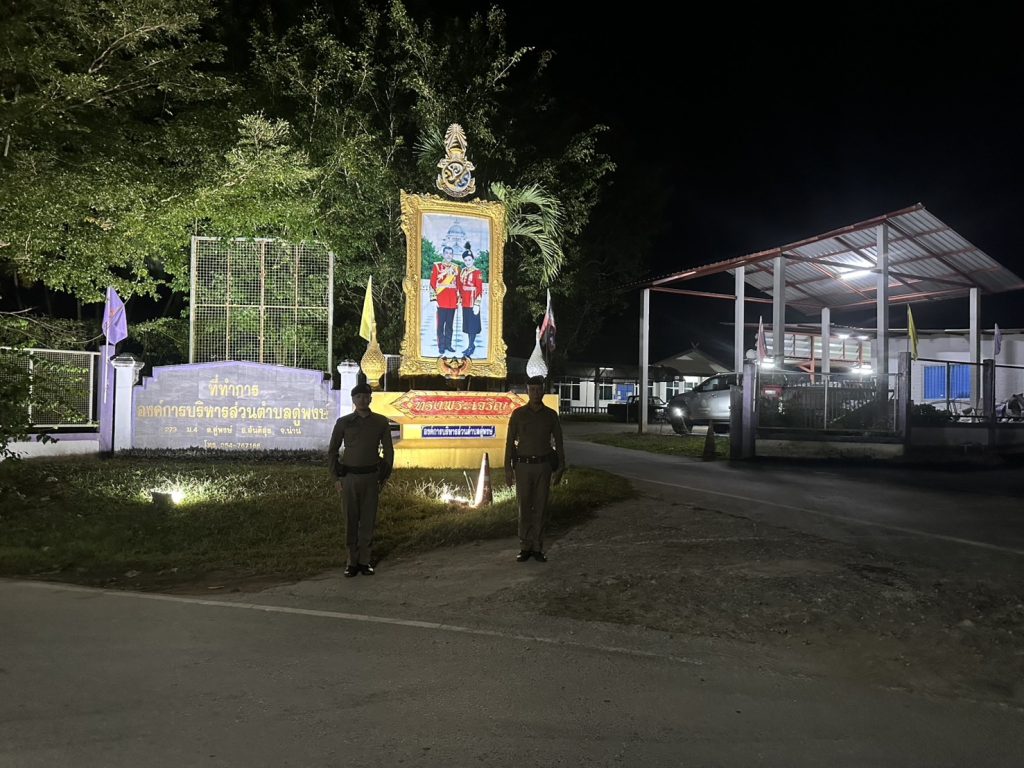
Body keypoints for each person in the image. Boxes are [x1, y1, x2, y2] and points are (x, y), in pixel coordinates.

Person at [327, 380, 395, 577]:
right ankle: (351, 562)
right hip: (349, 478)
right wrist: (335, 478)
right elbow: (332, 451)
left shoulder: (380, 422)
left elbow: (388, 451)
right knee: (350, 520)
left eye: (366, 397)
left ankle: (365, 561)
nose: (362, 400)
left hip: (371, 477)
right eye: (358, 397)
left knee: (368, 520)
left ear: (370, 399)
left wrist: (384, 476)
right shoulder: (344, 422)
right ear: (353, 399)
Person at [504, 375, 565, 562]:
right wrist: (507, 468)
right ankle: (525, 546)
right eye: (532, 390)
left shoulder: (551, 415)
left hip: (543, 467)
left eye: (539, 389)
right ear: (527, 391)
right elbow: (509, 443)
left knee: (540, 506)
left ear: (544, 391)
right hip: (523, 466)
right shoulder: (518, 414)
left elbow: (559, 442)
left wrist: (561, 467)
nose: (536, 393)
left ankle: (537, 547)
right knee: (524, 507)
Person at [429, 245, 460, 355]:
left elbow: (458, 284)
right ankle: (441, 346)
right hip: (441, 300)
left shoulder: (456, 267)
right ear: (443, 254)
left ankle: (448, 345)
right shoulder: (437, 266)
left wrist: (458, 299)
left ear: (453, 255)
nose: (449, 255)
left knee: (450, 326)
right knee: (441, 325)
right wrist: (434, 299)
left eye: (451, 253)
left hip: (452, 301)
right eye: (446, 253)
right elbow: (432, 283)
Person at [457, 243, 483, 357]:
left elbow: (479, 289)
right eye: (466, 260)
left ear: (473, 260)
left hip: (473, 302)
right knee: (467, 325)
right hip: (465, 303)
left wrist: (477, 304)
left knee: (473, 326)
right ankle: (470, 345)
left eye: (469, 260)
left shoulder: (477, 272)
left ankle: (471, 346)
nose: (467, 262)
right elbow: (460, 285)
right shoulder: (463, 271)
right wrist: (459, 297)